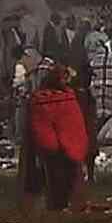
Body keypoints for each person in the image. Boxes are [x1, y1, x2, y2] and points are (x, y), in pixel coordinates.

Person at [29, 65, 90, 211]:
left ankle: (56, 204)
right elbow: (73, 123)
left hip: (49, 145)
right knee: (66, 176)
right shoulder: (70, 98)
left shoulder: (39, 99)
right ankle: (62, 203)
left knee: (53, 176)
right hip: (68, 145)